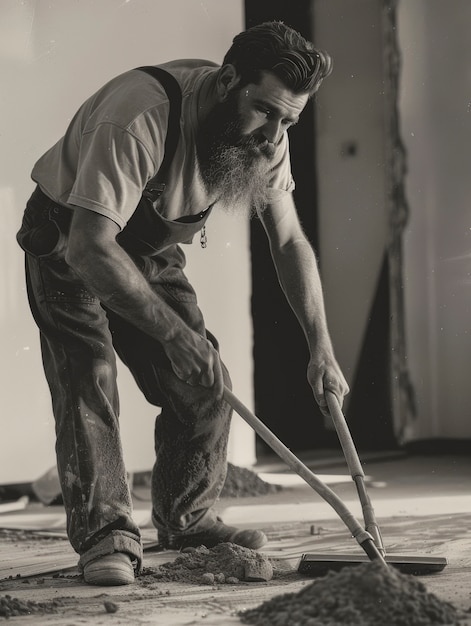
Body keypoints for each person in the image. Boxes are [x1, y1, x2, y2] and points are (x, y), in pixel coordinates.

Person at [16, 21, 349, 586]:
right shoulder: (140, 116)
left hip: (146, 249)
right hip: (69, 240)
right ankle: (106, 537)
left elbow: (288, 239)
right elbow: (92, 248)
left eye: (289, 119)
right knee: (89, 380)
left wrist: (321, 345)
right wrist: (174, 335)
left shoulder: (270, 134)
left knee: (205, 377)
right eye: (265, 111)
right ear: (226, 82)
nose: (273, 136)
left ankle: (185, 521)